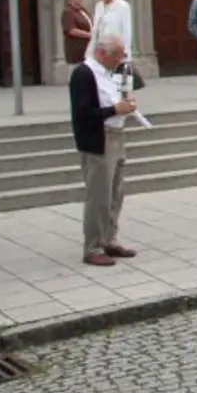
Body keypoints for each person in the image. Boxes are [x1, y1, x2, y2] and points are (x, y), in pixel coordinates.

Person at [70, 35, 139, 267]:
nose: (120, 60)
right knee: (99, 195)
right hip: (98, 140)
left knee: (116, 193)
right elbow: (83, 114)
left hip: (117, 136)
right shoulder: (84, 74)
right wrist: (114, 109)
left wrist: (126, 106)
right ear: (101, 53)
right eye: (117, 55)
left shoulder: (112, 71)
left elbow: (116, 98)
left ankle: (110, 239)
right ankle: (93, 246)